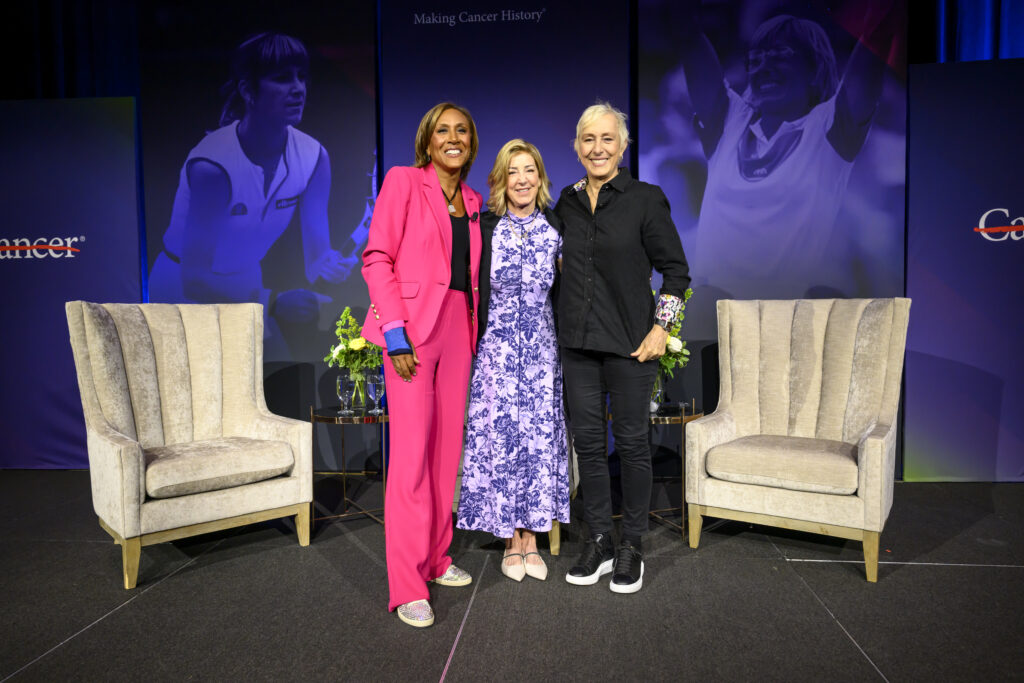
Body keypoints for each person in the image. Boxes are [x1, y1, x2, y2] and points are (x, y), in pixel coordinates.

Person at [149, 32, 354, 356]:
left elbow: (316, 259)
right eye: (282, 79)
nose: (298, 88)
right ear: (248, 90)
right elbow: (195, 279)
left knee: (282, 377)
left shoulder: (315, 157)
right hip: (181, 290)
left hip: (248, 284)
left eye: (302, 77)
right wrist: (272, 302)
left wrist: (330, 264)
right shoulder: (212, 166)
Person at [556, 102, 690, 594]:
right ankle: (597, 540)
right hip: (577, 346)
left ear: (623, 145)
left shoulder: (646, 199)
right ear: (577, 146)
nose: (597, 148)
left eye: (607, 139)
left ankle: (631, 544)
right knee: (588, 448)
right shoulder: (566, 204)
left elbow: (676, 272)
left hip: (633, 347)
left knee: (632, 447)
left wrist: (662, 330)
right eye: (588, 139)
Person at [360, 102, 483, 628]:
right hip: (410, 330)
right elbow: (377, 257)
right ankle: (407, 585)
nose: (453, 138)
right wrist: (394, 333)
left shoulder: (475, 200)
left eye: (462, 131)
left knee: (444, 454)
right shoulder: (405, 181)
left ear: (471, 143)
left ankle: (436, 559)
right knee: (410, 458)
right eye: (443, 131)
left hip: (460, 326)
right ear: (427, 142)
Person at [674, 2, 894, 295]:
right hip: (710, 310)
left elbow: (875, 42)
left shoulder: (829, 129)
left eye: (780, 55)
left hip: (784, 315)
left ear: (814, 71)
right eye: (756, 59)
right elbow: (688, 35)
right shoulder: (729, 122)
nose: (764, 66)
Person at [456, 139, 570, 582]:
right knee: (502, 444)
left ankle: (533, 538)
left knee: (536, 445)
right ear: (501, 179)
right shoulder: (486, 228)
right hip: (498, 355)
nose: (522, 180)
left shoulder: (557, 227)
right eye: (513, 172)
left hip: (542, 355)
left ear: (540, 177)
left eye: (530, 171)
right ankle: (509, 538)